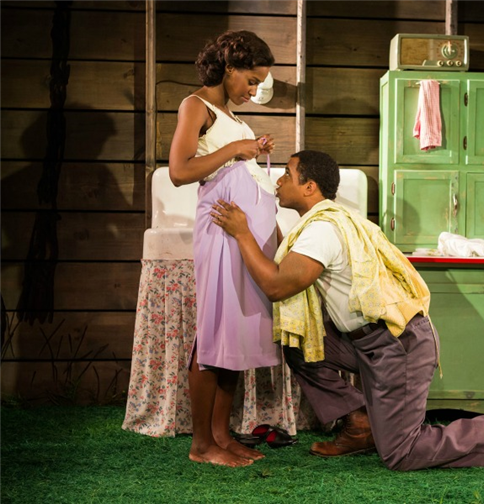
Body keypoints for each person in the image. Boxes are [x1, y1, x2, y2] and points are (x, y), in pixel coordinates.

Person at [210, 150, 484, 471]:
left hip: (398, 345)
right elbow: (288, 263)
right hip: (366, 342)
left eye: (287, 173)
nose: (279, 180)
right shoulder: (329, 221)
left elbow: (277, 286)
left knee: (401, 453)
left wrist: (242, 234)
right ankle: (360, 424)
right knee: (298, 343)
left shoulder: (322, 230)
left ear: (309, 187)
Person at [168, 30, 281, 467]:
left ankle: (220, 435)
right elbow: (180, 170)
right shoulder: (195, 105)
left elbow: (232, 164)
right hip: (219, 232)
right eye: (251, 81)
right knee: (215, 332)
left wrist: (250, 150)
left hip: (239, 237)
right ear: (229, 68)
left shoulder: (232, 115)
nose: (254, 91)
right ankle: (201, 444)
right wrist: (236, 148)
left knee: (232, 333)